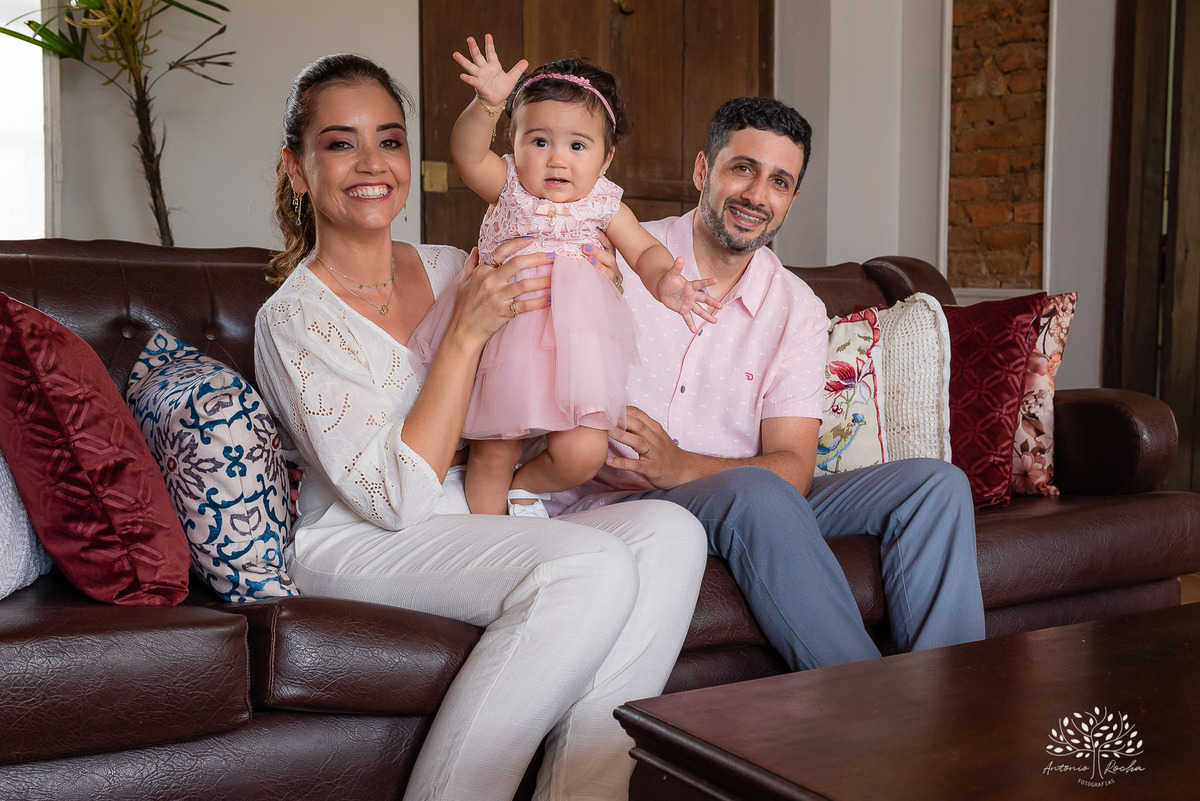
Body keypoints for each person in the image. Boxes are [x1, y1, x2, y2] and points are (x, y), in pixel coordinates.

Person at [253, 53, 707, 801]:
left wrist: (592, 301)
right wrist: (464, 334)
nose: (371, 163)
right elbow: (393, 500)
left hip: (472, 503)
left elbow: (522, 399)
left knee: (671, 532)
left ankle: (581, 794)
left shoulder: (450, 262)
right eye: (339, 143)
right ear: (296, 169)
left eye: (390, 140)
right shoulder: (293, 319)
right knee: (590, 566)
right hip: (359, 539)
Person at [551, 96, 986, 671]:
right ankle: (872, 708)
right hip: (622, 497)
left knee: (936, 486)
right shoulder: (619, 256)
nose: (757, 195)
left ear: (792, 200)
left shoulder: (796, 308)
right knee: (757, 494)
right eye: (743, 169)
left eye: (779, 182)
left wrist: (680, 465)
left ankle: (954, 697)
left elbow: (794, 468)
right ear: (703, 170)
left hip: (744, 494)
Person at [411, 35, 719, 518]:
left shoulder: (604, 203)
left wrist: (667, 282)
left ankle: (525, 489)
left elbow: (643, 250)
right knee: (493, 454)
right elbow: (467, 154)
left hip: (578, 354)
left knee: (583, 454)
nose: (557, 158)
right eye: (539, 141)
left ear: (606, 159)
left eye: (577, 145)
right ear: (514, 143)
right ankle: (492, 541)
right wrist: (487, 105)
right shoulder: (510, 187)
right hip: (507, 338)